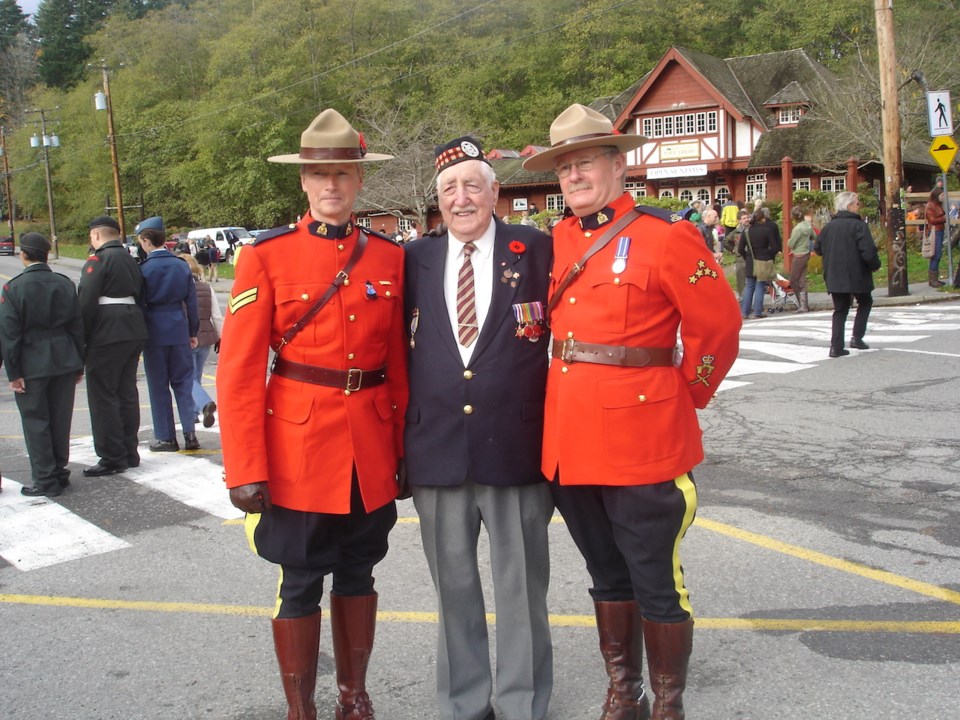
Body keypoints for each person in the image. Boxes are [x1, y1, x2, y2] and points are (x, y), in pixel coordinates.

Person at [523, 104, 741, 720]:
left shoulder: (664, 234)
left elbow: (718, 327)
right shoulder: (556, 240)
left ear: (619, 163)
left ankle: (668, 703)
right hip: (570, 440)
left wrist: (684, 396)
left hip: (645, 439)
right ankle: (626, 691)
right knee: (604, 574)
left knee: (655, 580)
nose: (573, 175)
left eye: (585, 161)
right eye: (564, 166)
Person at [216, 108, 407, 720]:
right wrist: (244, 466)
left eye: (343, 174)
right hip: (298, 451)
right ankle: (302, 709)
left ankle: (354, 696)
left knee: (359, 574)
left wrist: (402, 451)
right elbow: (240, 371)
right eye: (320, 174)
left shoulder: (388, 258)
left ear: (358, 181)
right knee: (299, 579)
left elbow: (398, 364)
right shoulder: (265, 256)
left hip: (370, 450)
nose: (331, 185)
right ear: (303, 181)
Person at [404, 137, 554, 720]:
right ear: (437, 200)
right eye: (449, 189)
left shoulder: (539, 249)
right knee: (453, 593)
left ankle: (523, 705)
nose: (461, 198)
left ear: (496, 191)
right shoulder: (413, 259)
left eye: (473, 185)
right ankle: (464, 704)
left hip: (515, 445)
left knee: (522, 593)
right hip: (436, 449)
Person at [0, 232, 84, 497]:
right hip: (64, 357)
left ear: (23, 255)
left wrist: (13, 372)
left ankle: (46, 479)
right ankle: (59, 471)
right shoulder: (64, 283)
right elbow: (77, 327)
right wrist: (78, 363)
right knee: (61, 419)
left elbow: (9, 335)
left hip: (31, 361)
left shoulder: (13, 288)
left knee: (36, 421)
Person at [78, 216, 149, 476]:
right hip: (133, 327)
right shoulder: (131, 260)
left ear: (96, 236)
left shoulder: (98, 260)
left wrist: (82, 337)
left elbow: (86, 300)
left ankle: (111, 456)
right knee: (126, 392)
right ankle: (130, 452)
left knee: (103, 395)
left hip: (107, 331)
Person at [137, 216, 201, 451]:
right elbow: (191, 303)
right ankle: (190, 433)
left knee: (159, 385)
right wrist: (192, 331)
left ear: (146, 241)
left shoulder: (144, 269)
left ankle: (166, 437)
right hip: (178, 327)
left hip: (154, 330)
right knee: (183, 382)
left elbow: (140, 304)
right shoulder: (180, 265)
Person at [815, 191, 881, 357]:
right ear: (850, 205)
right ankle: (857, 337)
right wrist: (875, 265)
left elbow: (817, 248)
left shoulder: (828, 227)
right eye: (857, 203)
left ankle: (836, 347)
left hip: (834, 274)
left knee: (840, 310)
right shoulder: (858, 225)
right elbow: (867, 251)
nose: (859, 206)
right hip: (856, 273)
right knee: (865, 302)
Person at [180, 253, 221, 428]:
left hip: (188, 336)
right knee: (196, 376)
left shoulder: (180, 288)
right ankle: (194, 411)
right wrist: (221, 337)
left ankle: (203, 404)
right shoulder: (206, 287)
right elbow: (216, 315)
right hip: (207, 336)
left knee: (187, 377)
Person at [737, 208, 780, 319]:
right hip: (763, 260)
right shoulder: (766, 230)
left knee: (749, 286)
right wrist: (768, 254)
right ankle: (757, 311)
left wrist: (747, 256)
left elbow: (740, 248)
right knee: (760, 285)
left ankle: (744, 312)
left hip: (751, 261)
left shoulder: (746, 231)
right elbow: (775, 247)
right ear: (763, 218)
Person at [787, 207, 815, 312]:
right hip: (806, 252)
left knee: (794, 280)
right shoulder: (808, 226)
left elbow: (791, 243)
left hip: (798, 254)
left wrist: (789, 241)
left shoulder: (797, 229)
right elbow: (814, 236)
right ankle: (804, 304)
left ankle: (802, 303)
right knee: (802, 279)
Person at [924, 188, 946, 287]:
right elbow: (932, 220)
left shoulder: (938, 205)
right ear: (937, 196)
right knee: (935, 254)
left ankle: (934, 278)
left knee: (938, 254)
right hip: (935, 231)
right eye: (942, 195)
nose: (943, 197)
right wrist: (944, 219)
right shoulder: (930, 205)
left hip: (939, 230)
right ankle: (933, 279)